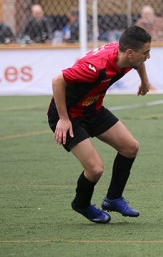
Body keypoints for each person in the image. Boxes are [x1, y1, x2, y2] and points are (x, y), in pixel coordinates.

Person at [47, 26, 152, 224]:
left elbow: (138, 63)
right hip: (69, 116)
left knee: (130, 147)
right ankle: (81, 204)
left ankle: (113, 199)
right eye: (146, 53)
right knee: (95, 169)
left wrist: (144, 81)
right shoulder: (95, 67)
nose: (148, 57)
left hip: (92, 109)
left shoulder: (126, 55)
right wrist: (63, 118)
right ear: (130, 53)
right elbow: (58, 80)